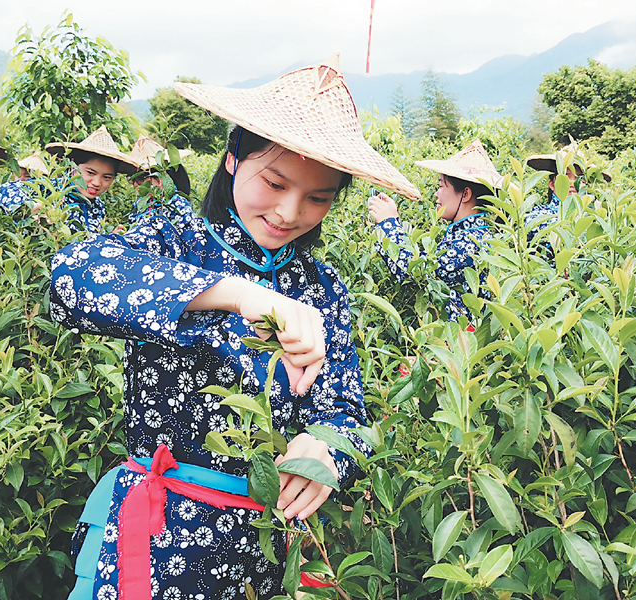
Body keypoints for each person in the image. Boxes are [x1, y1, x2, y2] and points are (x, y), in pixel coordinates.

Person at [50, 55, 419, 600]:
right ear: (232, 160)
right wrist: (241, 295)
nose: (289, 212)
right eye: (274, 182)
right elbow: (74, 275)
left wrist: (326, 449)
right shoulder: (176, 241)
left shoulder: (321, 288)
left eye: (318, 198)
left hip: (269, 546)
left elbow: (344, 410)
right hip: (164, 536)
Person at [368, 139, 502, 322]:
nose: (436, 194)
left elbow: (415, 271)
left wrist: (388, 222)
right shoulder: (473, 234)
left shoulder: (469, 243)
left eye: (441, 186)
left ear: (465, 194)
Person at [44, 126, 136, 233]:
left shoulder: (98, 206)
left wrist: (109, 238)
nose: (96, 183)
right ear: (73, 166)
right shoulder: (46, 189)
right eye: (90, 173)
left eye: (106, 177)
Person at [525, 143, 612, 239]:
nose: (572, 182)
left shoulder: (595, 219)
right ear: (552, 184)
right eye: (565, 176)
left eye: (580, 178)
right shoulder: (538, 215)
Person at [126, 134, 194, 227]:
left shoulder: (179, 205)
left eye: (140, 179)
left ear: (160, 176)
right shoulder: (140, 203)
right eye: (132, 179)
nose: (135, 184)